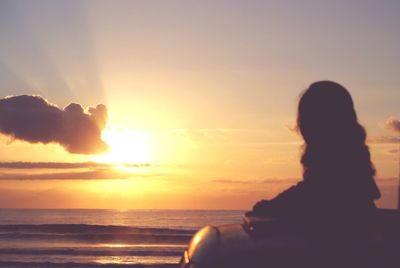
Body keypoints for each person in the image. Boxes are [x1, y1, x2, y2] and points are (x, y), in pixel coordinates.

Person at [247, 81, 381, 240]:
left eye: (307, 117)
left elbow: (315, 192)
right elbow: (311, 189)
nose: (302, 125)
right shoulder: (352, 156)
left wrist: (270, 206)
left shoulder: (337, 161)